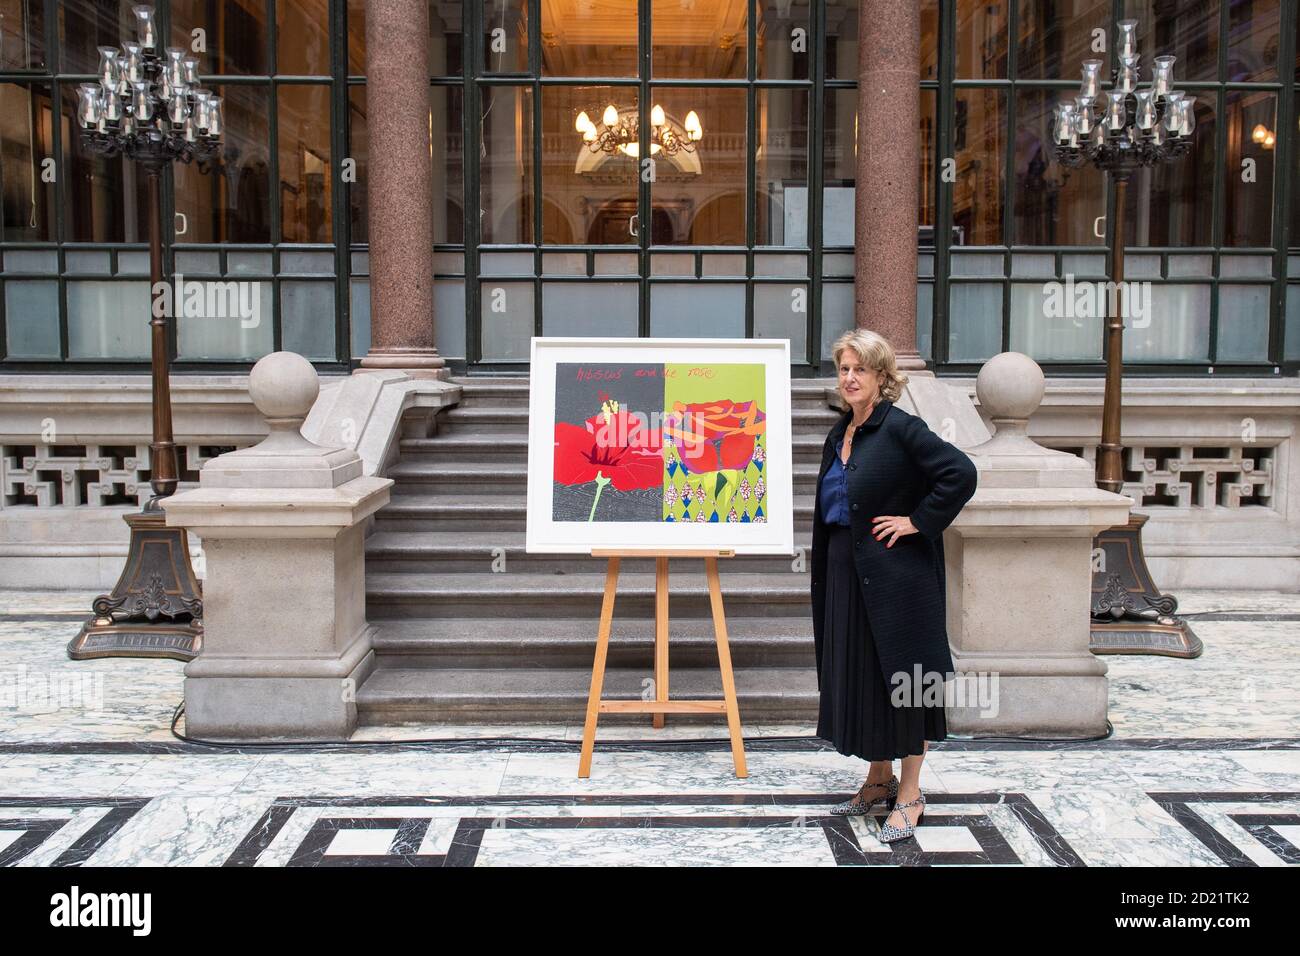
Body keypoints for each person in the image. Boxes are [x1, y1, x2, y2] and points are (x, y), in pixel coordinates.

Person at [810, 328, 978, 843]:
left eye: (861, 368)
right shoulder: (839, 433)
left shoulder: (902, 428)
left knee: (905, 682)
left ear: (883, 377)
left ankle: (910, 792)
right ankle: (877, 778)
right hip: (845, 575)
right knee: (863, 678)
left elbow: (960, 473)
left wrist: (916, 521)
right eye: (844, 368)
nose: (850, 377)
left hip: (897, 579)